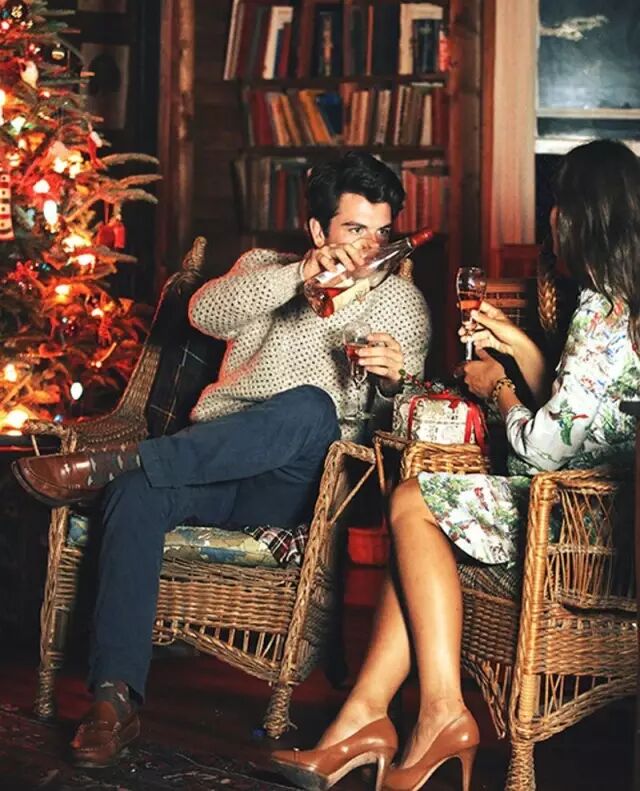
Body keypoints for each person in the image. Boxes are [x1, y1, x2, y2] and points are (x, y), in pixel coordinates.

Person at [12, 152, 431, 768]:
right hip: (208, 461)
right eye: (353, 229)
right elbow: (203, 313)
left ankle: (118, 462)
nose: (369, 247)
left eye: (381, 232)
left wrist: (397, 382)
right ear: (319, 230)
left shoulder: (399, 303)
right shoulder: (264, 268)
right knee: (135, 494)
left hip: (293, 482)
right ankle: (113, 700)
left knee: (312, 405)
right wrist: (301, 275)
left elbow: (412, 422)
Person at [270, 139, 640, 791]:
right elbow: (587, 414)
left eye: (558, 205)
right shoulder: (623, 299)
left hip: (571, 523)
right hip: (602, 509)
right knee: (418, 535)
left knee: (413, 500)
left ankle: (440, 711)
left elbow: (544, 445)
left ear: (582, 214)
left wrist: (499, 390)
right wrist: (521, 346)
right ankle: (363, 717)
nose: (552, 218)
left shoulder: (597, 307)